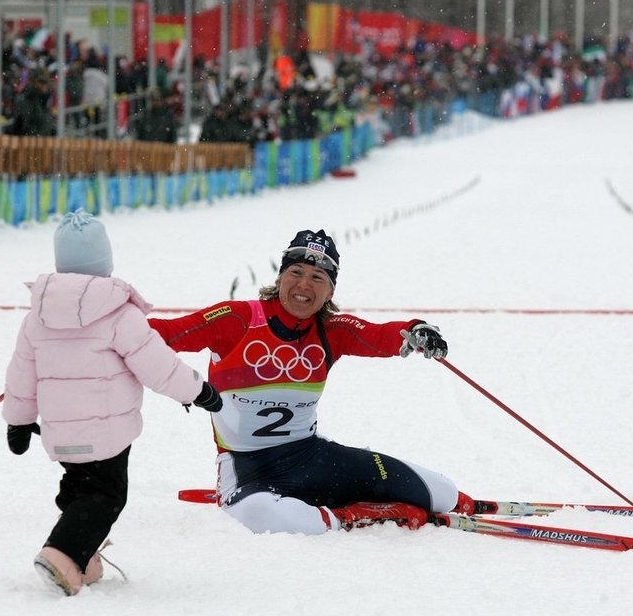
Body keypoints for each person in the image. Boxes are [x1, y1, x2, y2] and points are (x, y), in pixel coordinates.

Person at [149, 229, 478, 535]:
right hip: (247, 472)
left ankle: (356, 507)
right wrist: (109, 321)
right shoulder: (238, 319)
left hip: (311, 458)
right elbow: (165, 333)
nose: (305, 285)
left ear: (330, 290)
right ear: (280, 278)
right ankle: (354, 516)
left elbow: (379, 335)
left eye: (318, 277)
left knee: (443, 494)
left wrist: (417, 329)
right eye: (296, 273)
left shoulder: (331, 331)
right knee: (266, 516)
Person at [2, 210, 223, 596]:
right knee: (104, 496)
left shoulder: (37, 316)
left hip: (60, 433)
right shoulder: (120, 313)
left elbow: (21, 375)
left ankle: (82, 558)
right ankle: (61, 553)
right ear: (104, 261)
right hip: (106, 434)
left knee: (78, 487)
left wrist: (18, 422)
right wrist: (198, 391)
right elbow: (158, 366)